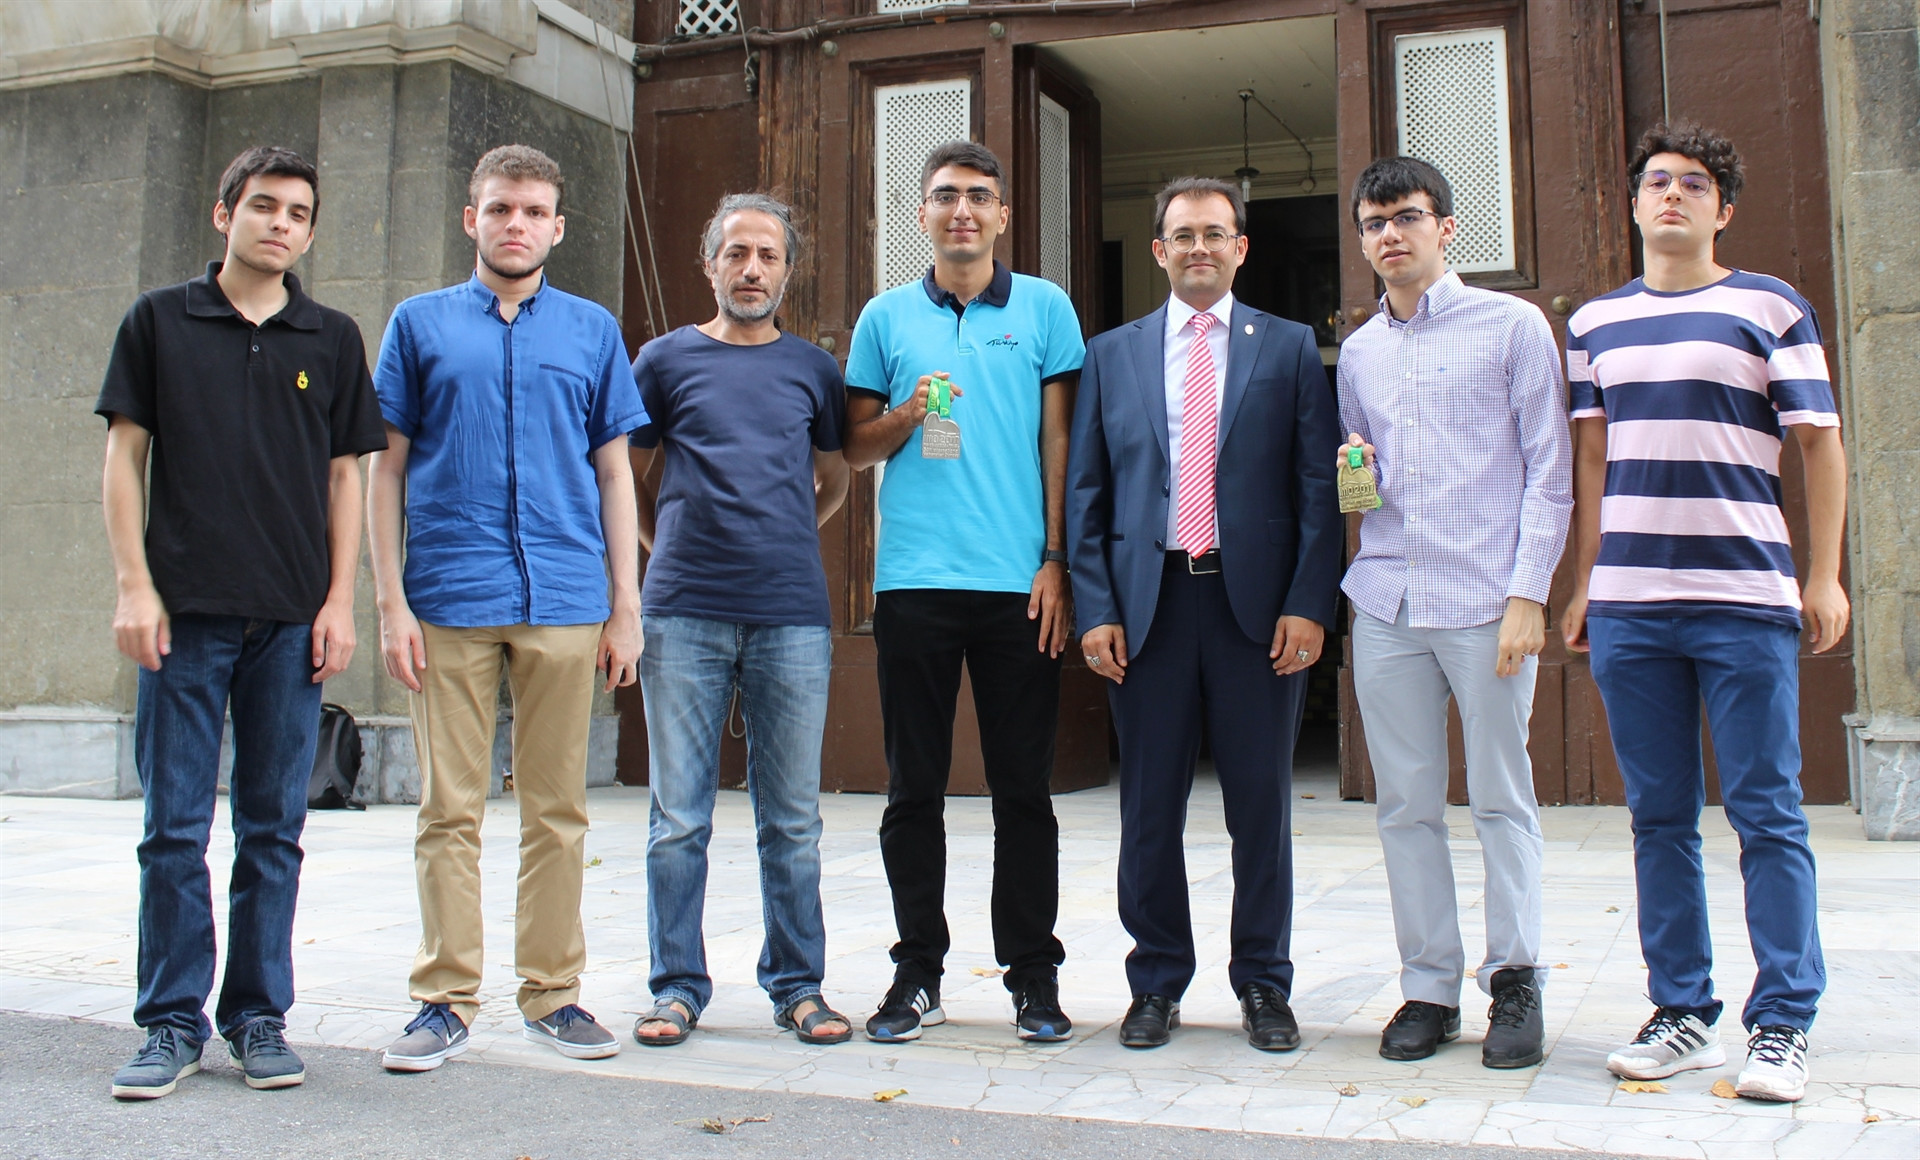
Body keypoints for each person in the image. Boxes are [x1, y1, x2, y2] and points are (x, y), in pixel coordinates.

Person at [1563, 121, 1849, 1103]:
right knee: (1659, 818)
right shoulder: (1593, 323)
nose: (1673, 194)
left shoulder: (1771, 306)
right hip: (1632, 607)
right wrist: (1585, 581)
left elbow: (1820, 442)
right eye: (1657, 181)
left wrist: (1824, 575)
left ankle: (1784, 1023)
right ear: (1634, 204)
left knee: (1768, 813)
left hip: (1744, 600)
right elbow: (1593, 458)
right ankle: (1682, 1011)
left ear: (1722, 210)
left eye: (1694, 183)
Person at [97, 146, 388, 1098]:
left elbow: (346, 477)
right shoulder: (158, 320)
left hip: (290, 623)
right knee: (173, 830)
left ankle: (258, 1017)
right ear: (225, 215)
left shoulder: (331, 337)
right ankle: (170, 1023)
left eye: (299, 213)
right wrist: (134, 588)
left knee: (273, 831)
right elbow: (124, 457)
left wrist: (339, 601)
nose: (281, 224)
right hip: (182, 618)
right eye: (264, 206)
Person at [368, 144, 646, 1071]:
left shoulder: (592, 330)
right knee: (448, 809)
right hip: (448, 595)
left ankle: (553, 994)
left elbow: (615, 473)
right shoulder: (418, 325)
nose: (515, 224)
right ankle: (444, 999)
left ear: (557, 228)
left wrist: (626, 605)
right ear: (471, 219)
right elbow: (385, 470)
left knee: (557, 810)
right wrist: (389, 602)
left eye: (532, 212)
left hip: (565, 596)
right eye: (499, 209)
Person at [1065, 176, 1340, 1051]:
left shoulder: (1288, 347)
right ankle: (1155, 981)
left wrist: (1309, 603)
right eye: (1182, 235)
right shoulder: (1111, 354)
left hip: (1253, 611)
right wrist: (1095, 608)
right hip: (1147, 607)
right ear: (1159, 251)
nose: (1199, 248)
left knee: (1260, 809)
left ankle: (1263, 982)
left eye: (1215, 233)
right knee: (1149, 811)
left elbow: (1317, 487)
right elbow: (1088, 492)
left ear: (1240, 248)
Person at [843, 141, 1084, 1043]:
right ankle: (917, 972)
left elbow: (1060, 442)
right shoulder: (884, 317)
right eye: (945, 196)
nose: (962, 211)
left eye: (979, 197)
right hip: (914, 582)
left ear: (1003, 215)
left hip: (1020, 584)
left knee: (1024, 791)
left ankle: (1032, 975)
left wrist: (1056, 557)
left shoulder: (1045, 308)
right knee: (914, 790)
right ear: (923, 214)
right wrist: (909, 412)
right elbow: (855, 447)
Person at [1336, 157, 1571, 1069]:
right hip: (1387, 600)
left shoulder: (1512, 326)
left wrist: (1528, 596)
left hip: (1485, 602)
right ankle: (1429, 988)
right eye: (1373, 223)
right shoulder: (1359, 351)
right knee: (1404, 804)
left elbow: (1549, 472)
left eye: (1406, 216)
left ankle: (1515, 980)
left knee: (1502, 798)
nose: (1389, 234)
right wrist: (1357, 478)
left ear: (1445, 227)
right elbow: (1364, 482)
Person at [626, 193, 852, 1048]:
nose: (751, 269)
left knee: (791, 820)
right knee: (678, 820)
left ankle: (798, 986)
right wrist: (666, 545)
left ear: (788, 271)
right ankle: (676, 988)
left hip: (790, 615)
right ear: (710, 264)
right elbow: (627, 480)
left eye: (768, 256)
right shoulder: (662, 361)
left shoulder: (814, 370)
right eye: (736, 253)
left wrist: (786, 531)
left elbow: (834, 479)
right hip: (682, 612)